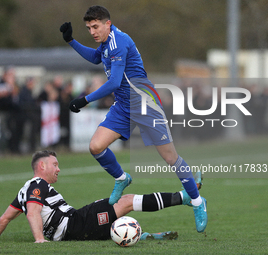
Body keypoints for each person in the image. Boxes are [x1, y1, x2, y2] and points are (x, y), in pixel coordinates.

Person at [60, 5, 207, 233]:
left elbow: (114, 82)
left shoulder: (119, 42)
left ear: (108, 23)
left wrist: (85, 99)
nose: (92, 32)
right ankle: (121, 178)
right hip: (124, 107)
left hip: (145, 104)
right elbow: (95, 58)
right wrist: (71, 41)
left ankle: (198, 202)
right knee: (96, 146)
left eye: (95, 26)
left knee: (171, 158)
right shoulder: (106, 44)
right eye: (88, 28)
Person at [0, 150, 203, 243]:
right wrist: (39, 240)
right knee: (124, 201)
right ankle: (185, 197)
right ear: (41, 166)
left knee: (114, 216)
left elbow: (4, 219)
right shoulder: (37, 184)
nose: (58, 169)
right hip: (74, 224)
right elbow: (32, 213)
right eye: (55, 164)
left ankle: (143, 236)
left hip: (74, 227)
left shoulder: (23, 190)